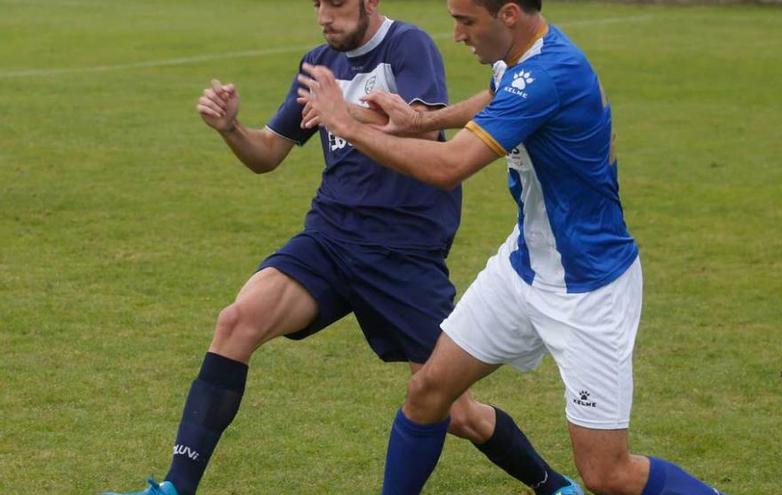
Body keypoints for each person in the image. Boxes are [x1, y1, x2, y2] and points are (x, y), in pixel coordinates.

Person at [102, 1, 585, 495]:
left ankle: (552, 484)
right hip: (330, 239)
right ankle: (175, 487)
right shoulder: (319, 63)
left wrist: (348, 116)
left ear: (369, 1)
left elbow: (422, 128)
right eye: (317, 4)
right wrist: (231, 128)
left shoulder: (407, 45)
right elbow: (267, 153)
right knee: (236, 322)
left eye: (336, 3)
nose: (324, 16)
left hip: (403, 254)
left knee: (456, 412)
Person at [297, 0, 729, 494]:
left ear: (507, 14)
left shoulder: (547, 75)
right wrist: (419, 122)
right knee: (428, 391)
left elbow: (447, 168)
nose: (457, 36)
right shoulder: (522, 60)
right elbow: (497, 94)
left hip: (587, 288)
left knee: (608, 475)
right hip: (523, 268)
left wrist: (348, 126)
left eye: (466, 22)